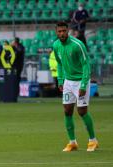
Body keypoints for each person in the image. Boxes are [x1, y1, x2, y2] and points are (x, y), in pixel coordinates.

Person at [53, 21, 98, 152]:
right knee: (67, 111)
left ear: (68, 31)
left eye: (64, 31)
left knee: (82, 111)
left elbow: (86, 65)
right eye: (59, 31)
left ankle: (93, 140)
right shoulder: (56, 45)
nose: (62, 33)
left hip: (81, 81)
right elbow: (59, 63)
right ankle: (72, 142)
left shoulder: (77, 44)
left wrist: (84, 84)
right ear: (56, 32)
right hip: (68, 82)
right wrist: (60, 80)